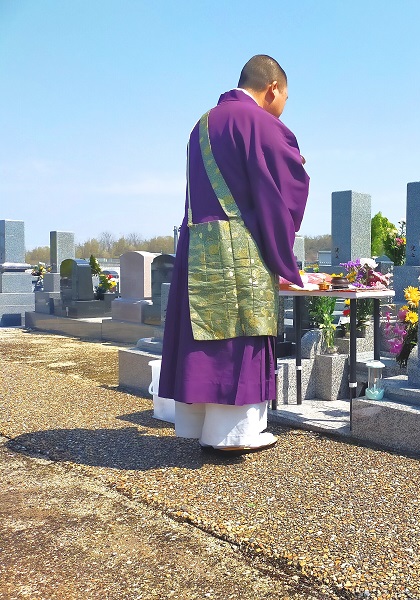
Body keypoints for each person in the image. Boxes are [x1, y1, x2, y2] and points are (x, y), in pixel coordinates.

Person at [159, 55, 309, 452]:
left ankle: (203, 425)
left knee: (203, 336)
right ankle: (235, 434)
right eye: (285, 98)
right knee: (242, 331)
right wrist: (298, 166)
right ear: (272, 88)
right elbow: (283, 191)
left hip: (198, 243)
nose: (282, 107)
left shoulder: (202, 123)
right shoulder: (259, 122)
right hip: (239, 248)